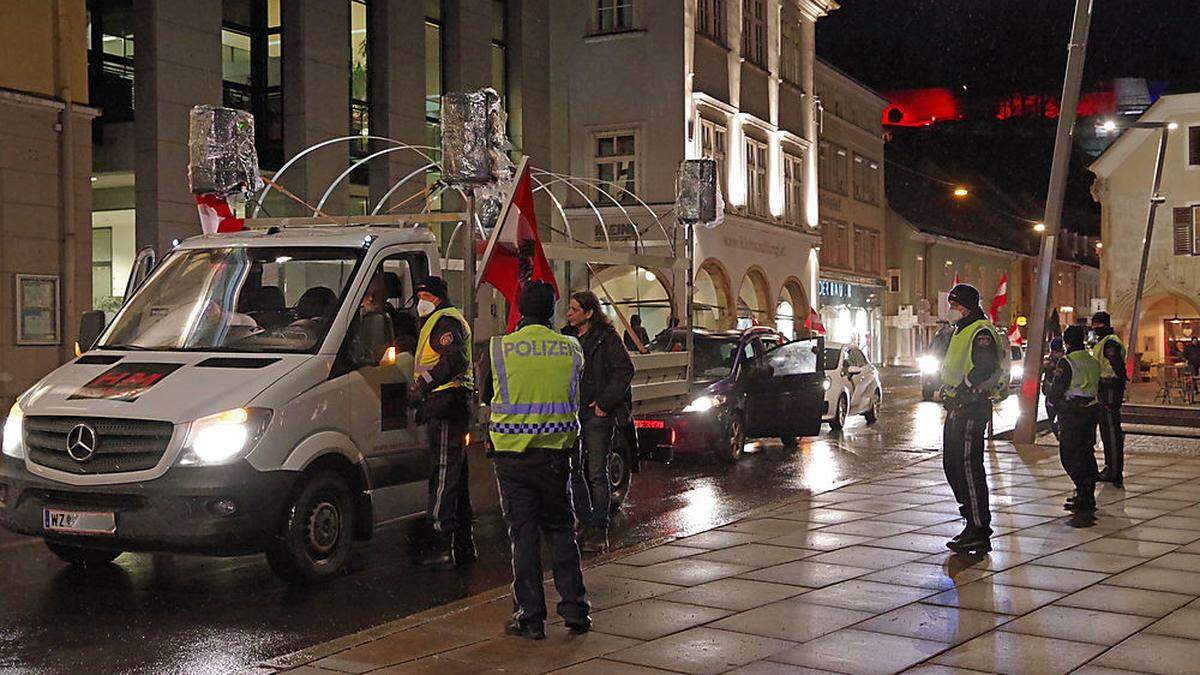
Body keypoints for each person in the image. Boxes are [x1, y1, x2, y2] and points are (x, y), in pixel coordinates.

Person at [483, 281, 590, 640]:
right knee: (561, 532)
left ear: (519, 310)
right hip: (555, 457)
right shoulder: (571, 348)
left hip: (511, 459)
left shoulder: (500, 348)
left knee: (523, 536)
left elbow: (488, 394)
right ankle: (575, 609)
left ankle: (530, 617)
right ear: (552, 312)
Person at [410, 276, 475, 568]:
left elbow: (455, 359)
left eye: (424, 294)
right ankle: (463, 543)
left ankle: (441, 543)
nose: (419, 300)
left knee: (444, 474)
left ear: (435, 297)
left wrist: (423, 383)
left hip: (447, 404)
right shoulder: (436, 321)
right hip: (447, 404)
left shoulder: (444, 322)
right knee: (455, 478)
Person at [938, 283, 1006, 554]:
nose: (951, 310)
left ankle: (979, 528)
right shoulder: (961, 329)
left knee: (967, 466)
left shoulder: (981, 331)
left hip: (972, 406)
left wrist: (965, 386)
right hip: (957, 405)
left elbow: (985, 366)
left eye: (954, 305)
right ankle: (970, 519)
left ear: (966, 306)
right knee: (951, 464)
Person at [566, 291, 635, 553]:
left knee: (596, 472)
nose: (569, 313)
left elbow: (625, 370)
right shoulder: (566, 336)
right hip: (572, 413)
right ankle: (584, 520)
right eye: (569, 309)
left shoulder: (606, 338)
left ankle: (599, 529)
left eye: (574, 309)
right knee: (574, 472)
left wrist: (605, 404)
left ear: (589, 312)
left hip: (595, 414)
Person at [1047, 325, 1101, 512]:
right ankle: (1087, 492)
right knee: (1086, 452)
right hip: (1091, 411)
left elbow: (1057, 389)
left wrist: (1053, 404)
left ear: (1066, 342)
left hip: (1072, 412)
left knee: (1069, 454)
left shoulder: (1067, 361)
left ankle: (1083, 489)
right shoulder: (1092, 360)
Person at [1090, 311, 1127, 488]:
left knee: (1111, 429)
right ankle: (1110, 467)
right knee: (1106, 429)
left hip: (1110, 387)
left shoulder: (1110, 342)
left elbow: (1117, 365)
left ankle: (1114, 470)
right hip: (1104, 388)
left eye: (1097, 325)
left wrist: (1122, 382)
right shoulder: (1104, 341)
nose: (1095, 328)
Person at [1041, 338, 1066, 439]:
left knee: (1058, 420)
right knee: (1053, 419)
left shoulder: (1064, 362)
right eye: (1060, 351)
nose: (1061, 353)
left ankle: (1060, 436)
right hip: (1052, 395)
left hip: (1059, 395)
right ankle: (1059, 436)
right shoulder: (1048, 362)